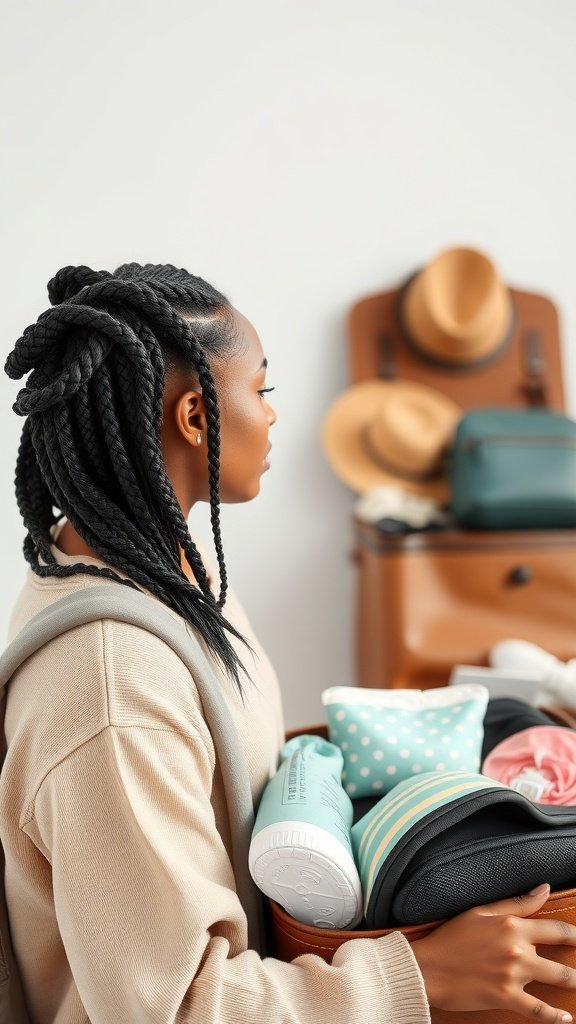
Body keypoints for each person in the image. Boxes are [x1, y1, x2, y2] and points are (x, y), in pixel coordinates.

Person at [1, 262, 575, 1024]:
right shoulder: (115, 683)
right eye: (262, 390)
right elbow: (170, 1008)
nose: (273, 418)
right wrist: (420, 975)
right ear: (196, 418)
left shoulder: (169, 571)